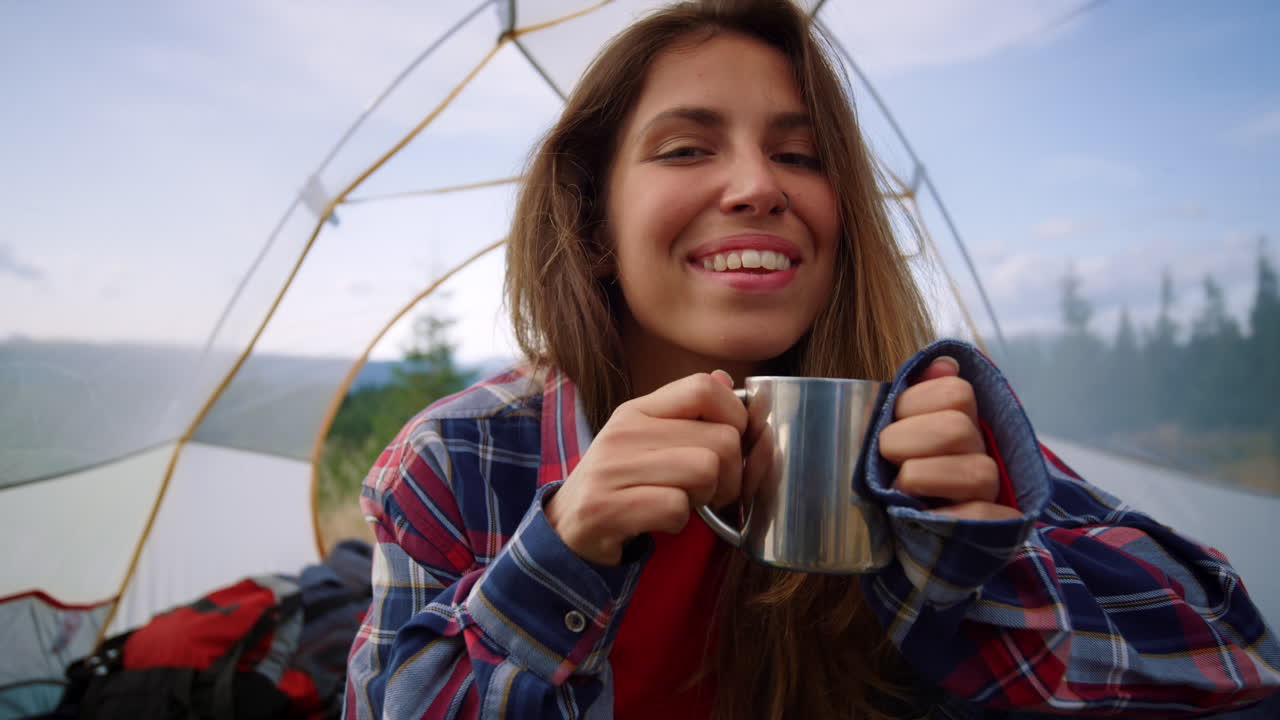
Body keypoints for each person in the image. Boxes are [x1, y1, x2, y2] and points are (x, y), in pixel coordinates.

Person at [343, 1, 1280, 718]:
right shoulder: (461, 460)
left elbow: (1236, 660)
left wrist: (966, 561)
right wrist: (561, 552)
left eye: (800, 154)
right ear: (593, 224)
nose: (758, 186)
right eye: (684, 148)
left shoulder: (912, 430)